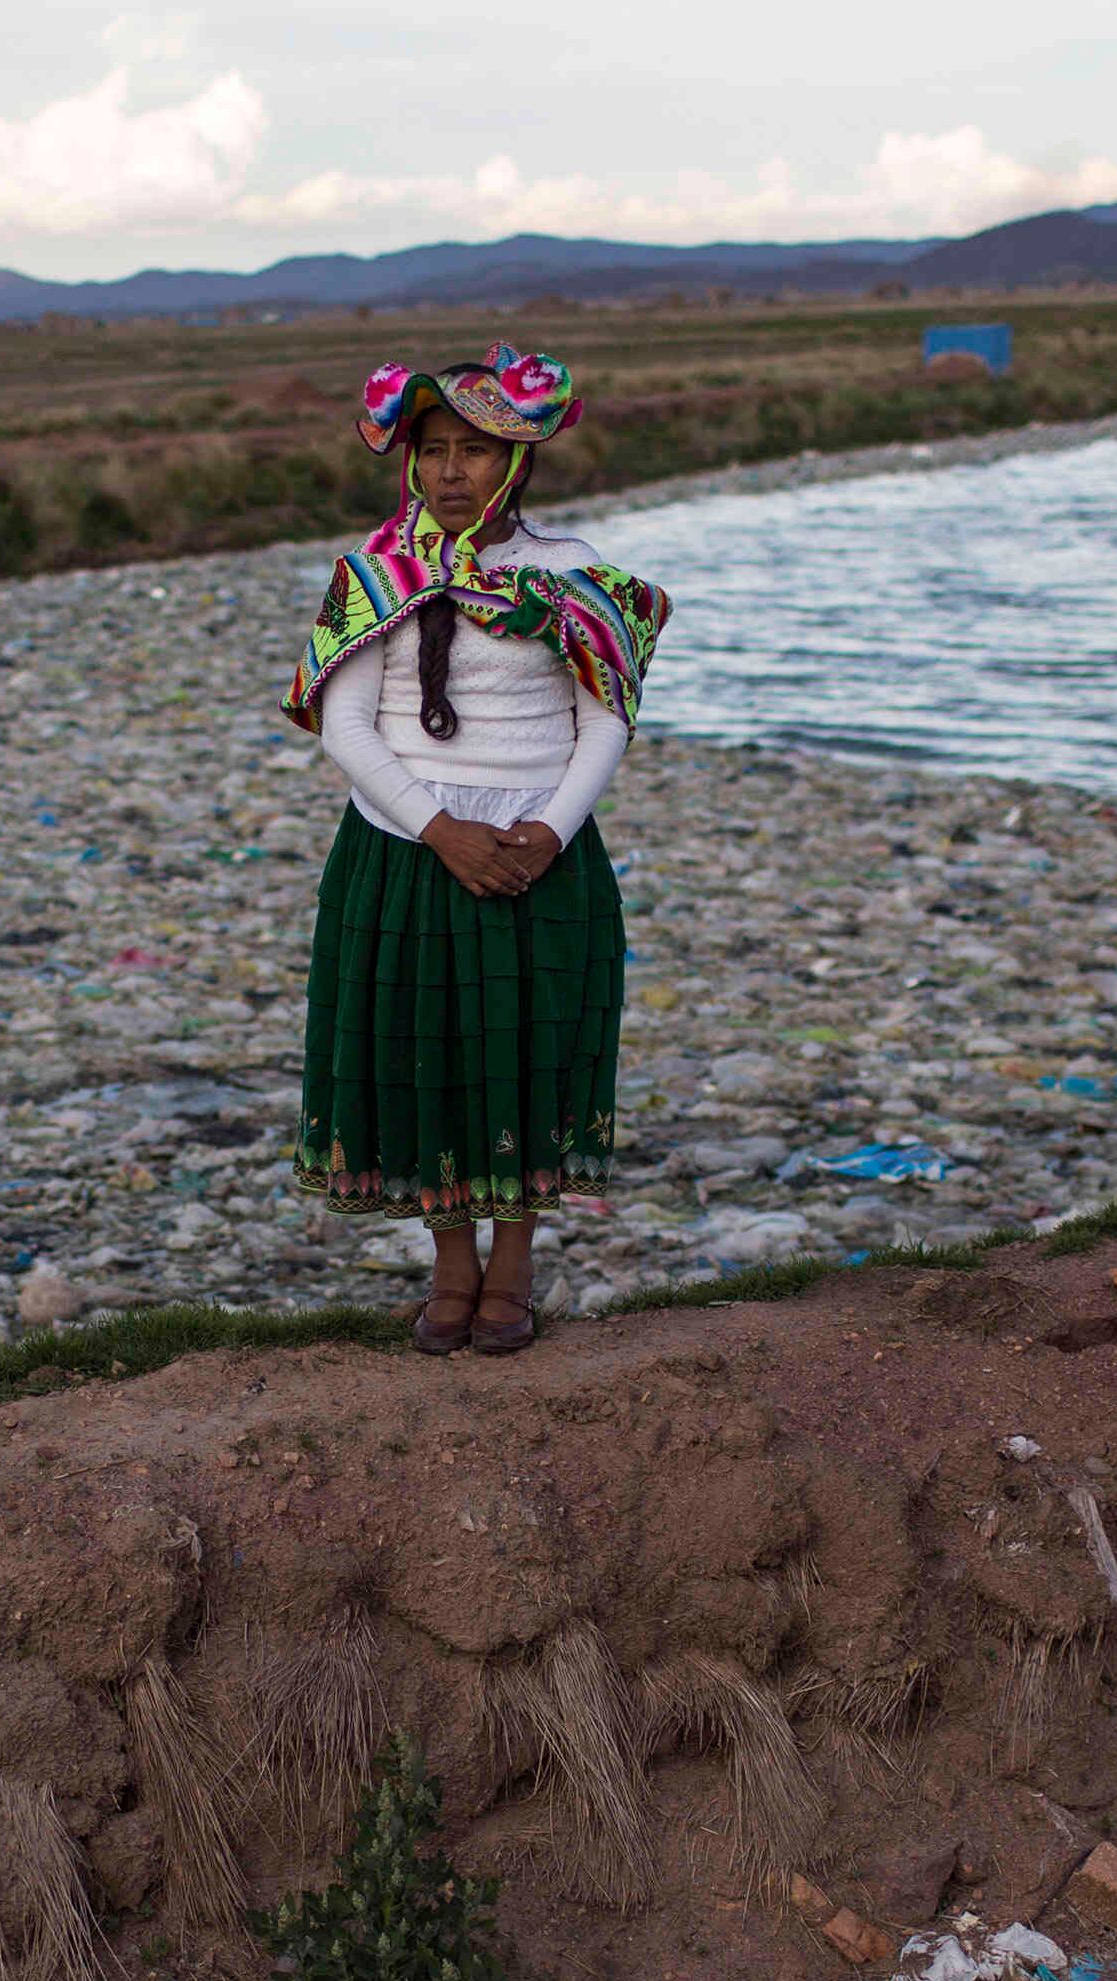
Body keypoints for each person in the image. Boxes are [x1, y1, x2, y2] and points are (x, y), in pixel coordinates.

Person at [282, 344, 670, 1356]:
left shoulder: (574, 576)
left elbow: (606, 720)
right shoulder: (372, 576)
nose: (454, 470)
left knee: (529, 1049)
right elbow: (347, 726)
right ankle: (451, 1265)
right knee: (425, 1052)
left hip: (543, 854)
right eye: (436, 450)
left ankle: (515, 1267)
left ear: (519, 464)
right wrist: (439, 828)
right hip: (406, 852)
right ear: (410, 461)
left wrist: (547, 832)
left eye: (478, 451)